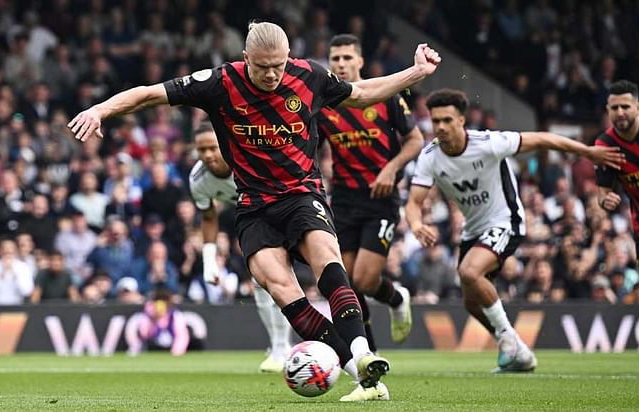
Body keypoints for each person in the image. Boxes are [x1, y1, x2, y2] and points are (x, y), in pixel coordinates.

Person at [69, 21, 441, 401]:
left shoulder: (309, 75)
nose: (271, 74)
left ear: (288, 57)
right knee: (283, 292)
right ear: (246, 58)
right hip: (254, 207)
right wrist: (100, 110)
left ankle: (364, 353)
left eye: (278, 65)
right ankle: (360, 376)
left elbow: (362, 93)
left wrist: (417, 72)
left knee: (328, 262)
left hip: (301, 195)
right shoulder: (220, 82)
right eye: (262, 66)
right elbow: (150, 94)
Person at [406, 89, 624, 372]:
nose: (441, 127)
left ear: (462, 120)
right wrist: (415, 224)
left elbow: (544, 139)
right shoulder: (430, 156)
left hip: (505, 220)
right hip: (474, 229)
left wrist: (588, 152)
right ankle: (517, 350)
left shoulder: (489, 143)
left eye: (447, 120)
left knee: (469, 272)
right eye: (436, 121)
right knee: (471, 301)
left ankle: (509, 340)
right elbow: (413, 202)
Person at [317, 34, 420, 351]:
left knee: (363, 279)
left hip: (380, 199)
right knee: (346, 283)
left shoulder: (383, 95)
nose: (341, 64)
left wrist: (391, 168)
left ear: (360, 61)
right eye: (336, 59)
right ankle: (369, 351)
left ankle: (396, 296)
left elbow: (415, 140)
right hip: (345, 200)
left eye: (348, 58)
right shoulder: (323, 106)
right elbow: (313, 150)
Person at [189, 121, 292, 373]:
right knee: (259, 284)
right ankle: (279, 347)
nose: (208, 155)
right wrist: (209, 261)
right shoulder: (198, 179)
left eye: (213, 148)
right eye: (202, 150)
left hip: (284, 210)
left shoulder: (246, 159)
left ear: (223, 143)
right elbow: (209, 217)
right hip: (253, 221)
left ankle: (286, 347)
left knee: (279, 280)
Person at [595, 80, 639, 285]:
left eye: (625, 106)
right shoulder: (605, 145)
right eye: (614, 108)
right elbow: (603, 191)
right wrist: (605, 200)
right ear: (608, 110)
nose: (620, 112)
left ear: (638, 107)